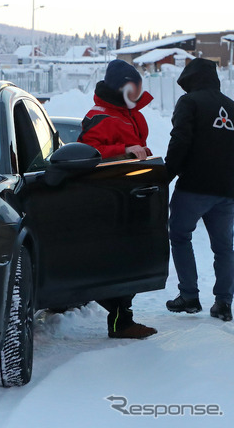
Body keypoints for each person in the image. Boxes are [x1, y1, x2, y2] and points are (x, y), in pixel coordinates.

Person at [78, 59, 158, 339]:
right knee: (118, 258)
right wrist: (124, 150)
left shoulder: (130, 113)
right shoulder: (99, 115)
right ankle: (120, 320)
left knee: (134, 257)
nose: (137, 92)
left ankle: (122, 316)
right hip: (109, 196)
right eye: (132, 86)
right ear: (119, 86)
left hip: (132, 195)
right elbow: (87, 152)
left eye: (139, 87)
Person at [165, 58, 234, 322]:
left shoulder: (190, 102)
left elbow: (180, 140)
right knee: (224, 246)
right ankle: (224, 303)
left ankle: (190, 296)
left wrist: (167, 175)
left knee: (180, 235)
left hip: (194, 187)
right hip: (227, 190)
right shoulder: (231, 106)